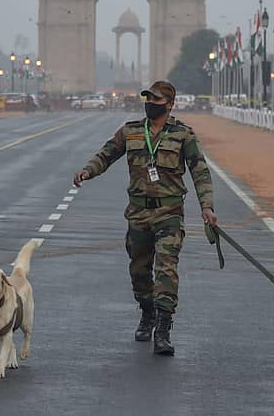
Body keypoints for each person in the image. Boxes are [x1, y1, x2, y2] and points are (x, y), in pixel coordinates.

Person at [73, 80, 217, 356]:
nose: (150, 103)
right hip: (138, 213)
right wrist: (87, 171)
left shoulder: (183, 135)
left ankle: (163, 329)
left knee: (166, 269)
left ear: (170, 104)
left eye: (157, 100)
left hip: (169, 213)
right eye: (148, 99)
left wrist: (207, 207)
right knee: (139, 271)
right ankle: (147, 312)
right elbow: (107, 154)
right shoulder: (131, 132)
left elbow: (200, 171)